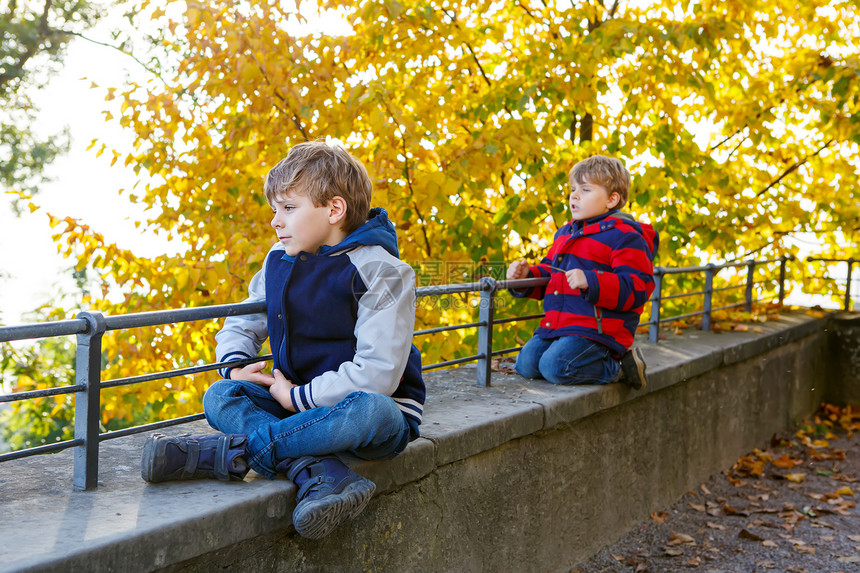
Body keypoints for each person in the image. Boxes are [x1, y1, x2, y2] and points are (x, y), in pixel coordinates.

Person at [140, 141, 425, 540]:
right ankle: (319, 471)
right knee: (222, 394)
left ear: (334, 210)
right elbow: (245, 317)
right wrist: (237, 361)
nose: (276, 221)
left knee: (370, 410)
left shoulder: (384, 270)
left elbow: (377, 376)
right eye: (275, 209)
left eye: (289, 209)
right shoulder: (279, 258)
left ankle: (228, 455)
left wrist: (297, 399)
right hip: (291, 402)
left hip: (367, 413)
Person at [506, 155, 658, 389]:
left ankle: (620, 368)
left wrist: (591, 281)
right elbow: (550, 273)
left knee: (556, 368)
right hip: (559, 325)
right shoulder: (565, 234)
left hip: (598, 332)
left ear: (611, 199)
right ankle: (573, 357)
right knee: (526, 365)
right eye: (573, 189)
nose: (574, 195)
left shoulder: (625, 236)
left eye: (585, 190)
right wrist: (525, 276)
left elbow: (638, 286)